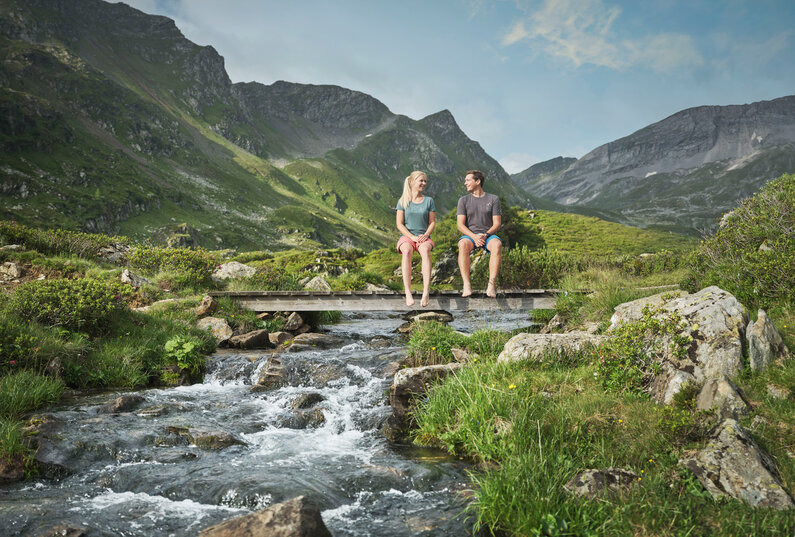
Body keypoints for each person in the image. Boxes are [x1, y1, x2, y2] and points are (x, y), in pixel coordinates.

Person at [456, 169, 502, 298]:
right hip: (470, 235)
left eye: (468, 180)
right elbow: (460, 224)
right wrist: (474, 236)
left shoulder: (493, 199)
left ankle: (491, 285)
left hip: (488, 235)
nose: (465, 183)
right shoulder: (463, 200)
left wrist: (486, 235)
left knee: (497, 244)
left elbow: (497, 223)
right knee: (463, 244)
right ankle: (466, 285)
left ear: (478, 181)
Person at [396, 170, 436, 307]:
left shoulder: (429, 201)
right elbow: (399, 224)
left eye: (425, 181)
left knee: (425, 250)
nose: (424, 183)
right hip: (407, 236)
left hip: (424, 236)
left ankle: (425, 292)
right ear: (412, 182)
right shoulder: (403, 201)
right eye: (421, 181)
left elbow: (432, 222)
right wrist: (411, 236)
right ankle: (408, 292)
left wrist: (425, 235)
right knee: (406, 251)